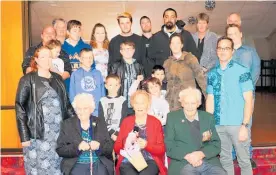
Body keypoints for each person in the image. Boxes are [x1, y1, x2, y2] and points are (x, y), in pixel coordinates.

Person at [15, 46, 76, 175]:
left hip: (58, 133)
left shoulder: (58, 79)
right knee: (37, 168)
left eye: (49, 56)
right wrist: (24, 136)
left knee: (58, 167)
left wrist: (76, 127)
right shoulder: (27, 79)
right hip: (37, 134)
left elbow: (67, 105)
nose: (46, 59)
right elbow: (20, 108)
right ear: (36, 59)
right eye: (43, 57)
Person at [206, 36, 254, 175]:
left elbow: (249, 100)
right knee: (225, 160)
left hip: (238, 125)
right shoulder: (212, 74)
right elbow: (210, 99)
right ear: (216, 51)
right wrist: (210, 125)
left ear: (232, 51)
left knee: (244, 160)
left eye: (226, 48)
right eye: (220, 48)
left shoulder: (242, 71)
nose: (223, 51)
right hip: (218, 124)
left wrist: (245, 125)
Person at [165, 87, 226, 175]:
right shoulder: (172, 118)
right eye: (186, 103)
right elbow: (169, 146)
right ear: (182, 103)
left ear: (198, 103)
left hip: (207, 160)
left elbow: (216, 144)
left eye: (193, 103)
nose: (190, 107)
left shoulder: (208, 117)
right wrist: (189, 157)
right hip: (183, 162)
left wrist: (201, 154)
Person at [226, 23, 261, 168]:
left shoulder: (250, 51)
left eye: (235, 33)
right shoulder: (225, 52)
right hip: (228, 96)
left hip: (246, 95)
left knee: (245, 125)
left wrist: (245, 88)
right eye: (229, 34)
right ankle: (233, 155)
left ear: (241, 34)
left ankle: (247, 156)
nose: (232, 36)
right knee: (231, 125)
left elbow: (255, 71)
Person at [56, 93, 114, 175]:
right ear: (75, 110)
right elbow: (60, 149)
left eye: (85, 108)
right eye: (79, 109)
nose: (82, 112)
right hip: (76, 164)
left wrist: (99, 146)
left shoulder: (100, 122)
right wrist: (77, 147)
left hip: (98, 163)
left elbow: (109, 147)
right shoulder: (67, 124)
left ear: (91, 109)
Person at [114, 90, 167, 175]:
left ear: (148, 105)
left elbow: (161, 150)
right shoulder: (126, 122)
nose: (139, 106)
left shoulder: (155, 122)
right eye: (136, 103)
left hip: (150, 160)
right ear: (133, 105)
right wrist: (126, 141)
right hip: (128, 160)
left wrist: (147, 145)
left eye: (142, 103)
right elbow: (116, 148)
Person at [164, 34, 206, 111]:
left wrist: (208, 97)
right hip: (171, 103)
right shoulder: (167, 63)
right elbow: (163, 82)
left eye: (177, 43)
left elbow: (201, 78)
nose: (175, 45)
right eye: (172, 43)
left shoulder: (190, 58)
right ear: (170, 46)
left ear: (182, 45)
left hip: (187, 103)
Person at [109, 41, 145, 115]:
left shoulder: (139, 66)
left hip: (135, 103)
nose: (127, 51)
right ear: (121, 51)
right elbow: (110, 84)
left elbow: (143, 85)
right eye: (124, 49)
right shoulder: (115, 65)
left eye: (129, 49)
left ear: (133, 50)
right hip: (120, 102)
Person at [69, 48, 105, 117]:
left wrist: (101, 108)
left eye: (90, 57)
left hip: (96, 111)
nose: (89, 60)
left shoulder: (98, 73)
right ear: (80, 59)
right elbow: (72, 94)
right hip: (81, 111)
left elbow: (102, 93)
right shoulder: (75, 74)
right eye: (85, 58)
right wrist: (77, 109)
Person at [62, 20, 92, 91]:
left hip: (83, 86)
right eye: (75, 31)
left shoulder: (87, 47)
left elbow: (92, 66)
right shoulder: (61, 48)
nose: (77, 33)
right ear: (68, 32)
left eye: (79, 31)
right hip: (66, 86)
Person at [98, 74, 128, 142]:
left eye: (116, 85)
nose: (114, 87)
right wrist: (111, 132)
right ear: (106, 86)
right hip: (106, 132)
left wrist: (117, 132)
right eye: (111, 85)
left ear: (119, 86)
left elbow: (124, 118)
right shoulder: (102, 100)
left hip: (120, 132)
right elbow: (101, 118)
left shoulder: (123, 100)